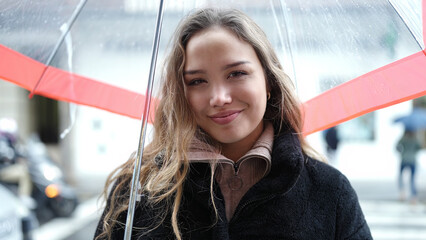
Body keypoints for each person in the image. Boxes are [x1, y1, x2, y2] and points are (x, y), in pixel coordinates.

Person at [94, 8, 372, 240]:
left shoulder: (330, 192)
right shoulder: (138, 190)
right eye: (197, 81)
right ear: (181, 93)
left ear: (269, 83)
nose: (219, 98)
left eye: (237, 73)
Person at [396, 129, 421, 203]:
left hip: (404, 159)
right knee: (412, 178)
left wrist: (402, 152)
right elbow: (419, 147)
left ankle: (402, 193)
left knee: (401, 176)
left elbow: (397, 146)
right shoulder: (415, 139)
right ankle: (413, 196)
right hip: (412, 160)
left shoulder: (403, 138)